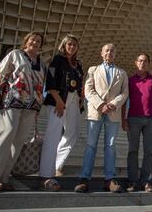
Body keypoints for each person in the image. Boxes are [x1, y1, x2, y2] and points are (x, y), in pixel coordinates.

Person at [0, 31, 46, 192]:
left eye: (38, 41)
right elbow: (0, 75)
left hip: (30, 106)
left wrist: (38, 107)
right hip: (11, 102)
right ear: (26, 41)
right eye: (32, 39)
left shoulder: (42, 63)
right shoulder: (15, 54)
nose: (35, 42)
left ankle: (4, 178)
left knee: (18, 142)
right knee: (5, 137)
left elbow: (40, 86)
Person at [74, 43, 129, 193]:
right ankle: (84, 178)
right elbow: (88, 89)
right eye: (107, 50)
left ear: (115, 54)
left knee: (110, 146)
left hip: (113, 113)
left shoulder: (122, 73)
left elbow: (124, 93)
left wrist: (112, 104)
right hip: (96, 112)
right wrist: (100, 105)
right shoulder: (93, 70)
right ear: (102, 53)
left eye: (112, 51)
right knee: (91, 145)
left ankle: (109, 179)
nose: (109, 53)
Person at [39, 34, 84, 191]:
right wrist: (59, 101)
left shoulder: (77, 64)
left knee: (72, 132)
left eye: (74, 44)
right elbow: (50, 82)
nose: (72, 47)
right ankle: (46, 174)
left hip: (73, 100)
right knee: (53, 134)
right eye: (69, 44)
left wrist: (80, 98)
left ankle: (57, 164)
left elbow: (80, 83)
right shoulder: (57, 60)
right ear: (64, 45)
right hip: (58, 98)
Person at [122, 53, 152, 192]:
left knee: (149, 152)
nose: (143, 63)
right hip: (133, 119)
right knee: (132, 151)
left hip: (150, 120)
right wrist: (124, 118)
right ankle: (133, 181)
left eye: (145, 61)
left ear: (148, 63)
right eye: (140, 61)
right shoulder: (130, 80)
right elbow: (123, 100)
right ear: (136, 63)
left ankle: (146, 181)